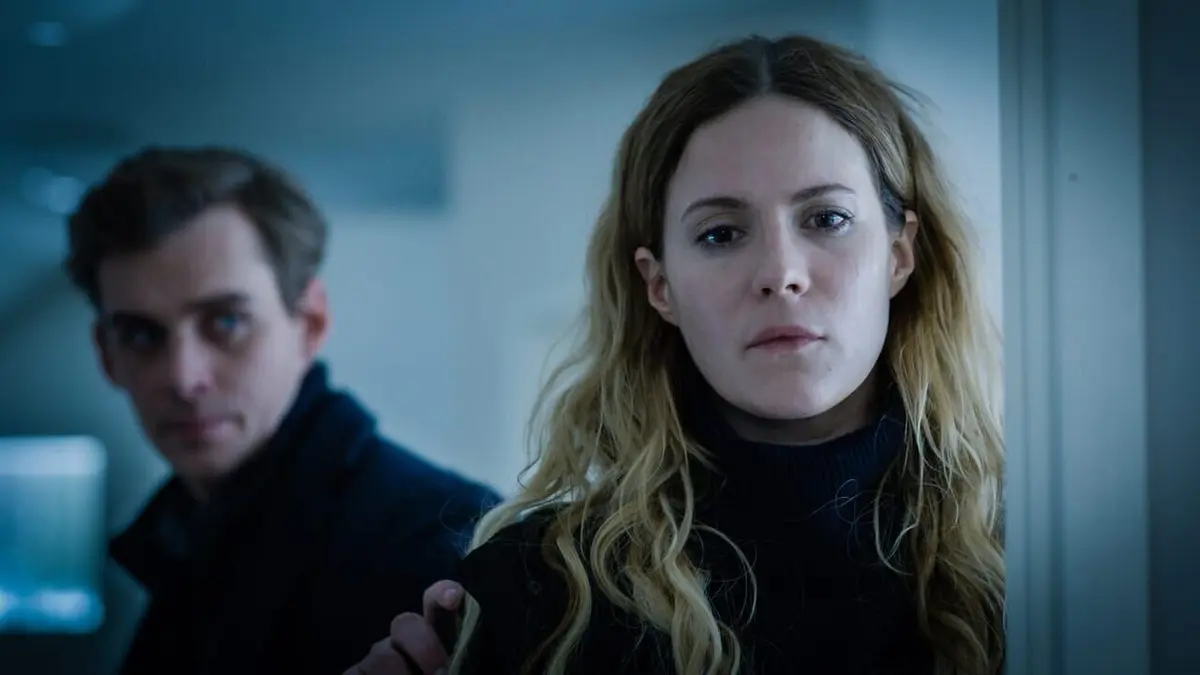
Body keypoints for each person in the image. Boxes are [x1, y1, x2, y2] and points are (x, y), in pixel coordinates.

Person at [351, 33, 1005, 675]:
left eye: (827, 219)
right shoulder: (537, 591)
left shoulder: (1027, 561)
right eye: (721, 233)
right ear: (659, 285)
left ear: (899, 254)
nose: (781, 273)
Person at [63, 146, 502, 675]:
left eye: (226, 322)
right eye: (141, 334)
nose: (183, 377)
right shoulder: (182, 544)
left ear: (311, 322)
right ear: (106, 355)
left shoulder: (450, 542)